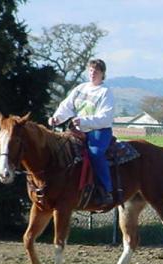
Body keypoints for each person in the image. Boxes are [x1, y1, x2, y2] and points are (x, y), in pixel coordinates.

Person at [49, 59, 115, 205]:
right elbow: (66, 106)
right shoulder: (80, 88)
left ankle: (106, 190)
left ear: (103, 73)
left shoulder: (105, 92)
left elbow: (106, 117)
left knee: (95, 154)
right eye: (91, 70)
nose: (92, 73)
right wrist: (56, 118)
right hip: (77, 130)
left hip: (99, 131)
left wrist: (84, 121)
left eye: (96, 71)